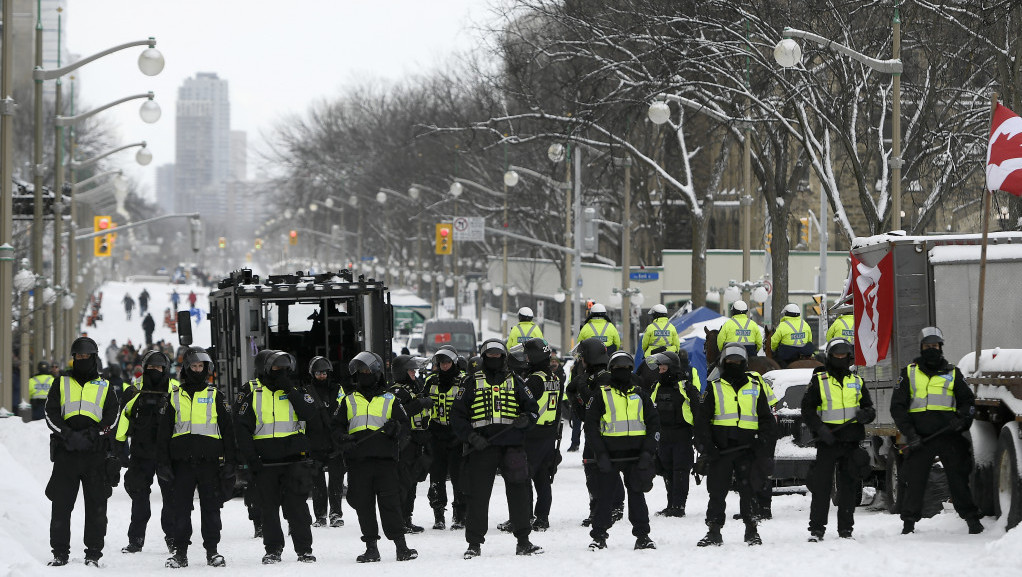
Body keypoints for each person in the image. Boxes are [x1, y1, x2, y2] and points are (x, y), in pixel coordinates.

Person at [451, 339, 543, 559]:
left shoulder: (517, 381)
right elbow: (457, 415)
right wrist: (471, 437)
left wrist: (525, 420)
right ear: (484, 357)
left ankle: (523, 540)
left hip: (512, 446)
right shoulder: (471, 382)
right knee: (478, 496)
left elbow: (532, 410)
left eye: (498, 355)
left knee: (520, 493)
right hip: (482, 447)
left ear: (504, 357)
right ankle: (474, 543)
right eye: (490, 356)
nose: (494, 359)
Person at [890, 327, 984, 535]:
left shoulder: (953, 373)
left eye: (935, 346)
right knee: (915, 482)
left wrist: (961, 421)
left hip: (950, 437)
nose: (931, 349)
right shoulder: (909, 373)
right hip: (920, 439)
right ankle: (909, 524)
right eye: (927, 346)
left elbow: (968, 403)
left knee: (958, 481)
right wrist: (910, 434)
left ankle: (971, 519)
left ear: (940, 347)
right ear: (921, 347)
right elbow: (897, 407)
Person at [235, 351, 320, 564]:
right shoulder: (251, 391)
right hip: (264, 462)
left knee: (297, 508)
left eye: (285, 368)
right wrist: (250, 459)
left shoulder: (297, 389)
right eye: (276, 368)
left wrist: (290, 390)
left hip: (294, 461)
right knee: (268, 509)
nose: (281, 372)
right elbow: (241, 429)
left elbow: (311, 415)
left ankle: (304, 550)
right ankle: (273, 549)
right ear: (264, 368)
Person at [333, 352, 419, 563]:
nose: (364, 375)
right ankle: (371, 547)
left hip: (385, 462)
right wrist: (343, 439)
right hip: (358, 462)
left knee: (391, 504)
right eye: (360, 372)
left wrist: (395, 429)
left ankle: (401, 546)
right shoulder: (348, 400)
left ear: (377, 373)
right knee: (363, 505)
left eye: (367, 371)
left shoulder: (391, 399)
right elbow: (335, 427)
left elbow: (406, 427)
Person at [43, 336, 119, 567]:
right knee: (61, 505)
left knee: (96, 506)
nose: (82, 359)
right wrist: (67, 434)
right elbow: (50, 412)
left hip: (95, 454)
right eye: (78, 356)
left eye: (86, 356)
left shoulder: (106, 386)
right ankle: (59, 553)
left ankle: (93, 553)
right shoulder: (61, 383)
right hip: (67, 453)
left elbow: (112, 416)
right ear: (73, 358)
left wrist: (95, 434)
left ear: (94, 358)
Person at [158, 347, 236, 568]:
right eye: (193, 366)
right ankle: (180, 552)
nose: (197, 370)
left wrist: (231, 461)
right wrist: (162, 463)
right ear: (186, 368)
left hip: (209, 464)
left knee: (211, 508)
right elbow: (163, 434)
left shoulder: (215, 395)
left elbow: (228, 432)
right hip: (181, 464)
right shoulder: (173, 397)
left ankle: (212, 551)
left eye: (201, 366)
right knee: (181, 509)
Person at [694, 343, 776, 547]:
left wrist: (762, 445)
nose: (734, 364)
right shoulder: (714, 387)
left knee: (749, 492)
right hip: (721, 452)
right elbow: (701, 422)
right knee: (717, 492)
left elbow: (767, 420)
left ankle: (752, 530)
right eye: (730, 361)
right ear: (723, 363)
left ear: (745, 363)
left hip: (748, 451)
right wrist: (707, 448)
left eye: (738, 362)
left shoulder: (756, 387)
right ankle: (713, 530)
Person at [802, 338, 876, 541]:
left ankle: (846, 530)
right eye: (837, 355)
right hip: (828, 442)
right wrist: (819, 428)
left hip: (851, 442)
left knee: (848, 489)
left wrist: (866, 414)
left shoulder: (857, 381)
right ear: (830, 356)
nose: (841, 358)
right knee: (821, 488)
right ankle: (817, 530)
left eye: (844, 354)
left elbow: (869, 408)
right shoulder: (819, 381)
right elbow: (807, 410)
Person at [586, 351, 660, 551]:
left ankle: (643, 536)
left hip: (636, 456)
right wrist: (599, 453)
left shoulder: (640, 395)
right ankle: (599, 536)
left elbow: (654, 424)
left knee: (637, 496)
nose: (623, 372)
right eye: (619, 369)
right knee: (605, 498)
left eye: (627, 368)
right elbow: (590, 427)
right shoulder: (601, 394)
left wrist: (648, 452)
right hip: (609, 456)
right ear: (611, 371)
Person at [114, 351, 176, 555]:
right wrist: (119, 449)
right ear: (145, 367)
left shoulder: (176, 390)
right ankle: (136, 540)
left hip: (168, 454)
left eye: (159, 368)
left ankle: (174, 539)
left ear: (165, 368)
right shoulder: (134, 390)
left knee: (171, 499)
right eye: (151, 367)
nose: (155, 371)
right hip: (141, 454)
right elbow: (123, 419)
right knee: (139, 498)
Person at [566, 337, 624, 527]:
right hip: (593, 432)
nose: (581, 361)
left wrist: (583, 389)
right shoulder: (591, 376)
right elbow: (572, 390)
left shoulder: (605, 377)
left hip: (606, 432)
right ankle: (597, 507)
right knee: (591, 469)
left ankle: (613, 507)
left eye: (583, 357)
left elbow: (598, 404)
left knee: (606, 470)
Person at [646, 350, 700, 517]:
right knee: (667, 470)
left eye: (663, 368)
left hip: (682, 435)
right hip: (663, 436)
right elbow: (649, 409)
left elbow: (698, 410)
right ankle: (671, 504)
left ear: (672, 368)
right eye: (659, 369)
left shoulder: (685, 387)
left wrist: (699, 435)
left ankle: (679, 506)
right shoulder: (656, 387)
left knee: (680, 471)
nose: (660, 371)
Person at [520, 339, 562, 531]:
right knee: (543, 478)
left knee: (524, 477)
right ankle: (542, 517)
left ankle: (525, 516)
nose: (526, 359)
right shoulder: (554, 378)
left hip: (533, 434)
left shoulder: (534, 380)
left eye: (528, 355)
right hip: (549, 434)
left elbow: (524, 404)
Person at [389, 354, 433, 534]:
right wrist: (420, 404)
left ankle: (407, 518)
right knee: (403, 483)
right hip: (404, 442)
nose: (414, 372)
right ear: (402, 372)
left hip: (418, 440)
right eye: (410, 370)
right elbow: (400, 412)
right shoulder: (396, 391)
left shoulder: (416, 387)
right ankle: (399, 520)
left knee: (413, 482)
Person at [425, 348, 466, 530]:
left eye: (447, 362)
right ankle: (438, 514)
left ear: (454, 362)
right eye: (441, 363)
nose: (444, 366)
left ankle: (459, 515)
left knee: (459, 478)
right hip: (436, 434)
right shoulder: (431, 381)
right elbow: (422, 403)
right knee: (436, 477)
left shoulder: (464, 380)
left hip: (457, 436)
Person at [303, 356, 345, 528]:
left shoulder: (337, 389)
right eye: (319, 373)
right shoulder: (306, 391)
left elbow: (344, 409)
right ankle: (320, 516)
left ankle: (335, 514)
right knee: (317, 482)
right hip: (314, 442)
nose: (322, 376)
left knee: (336, 480)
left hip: (334, 441)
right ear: (313, 373)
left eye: (325, 373)